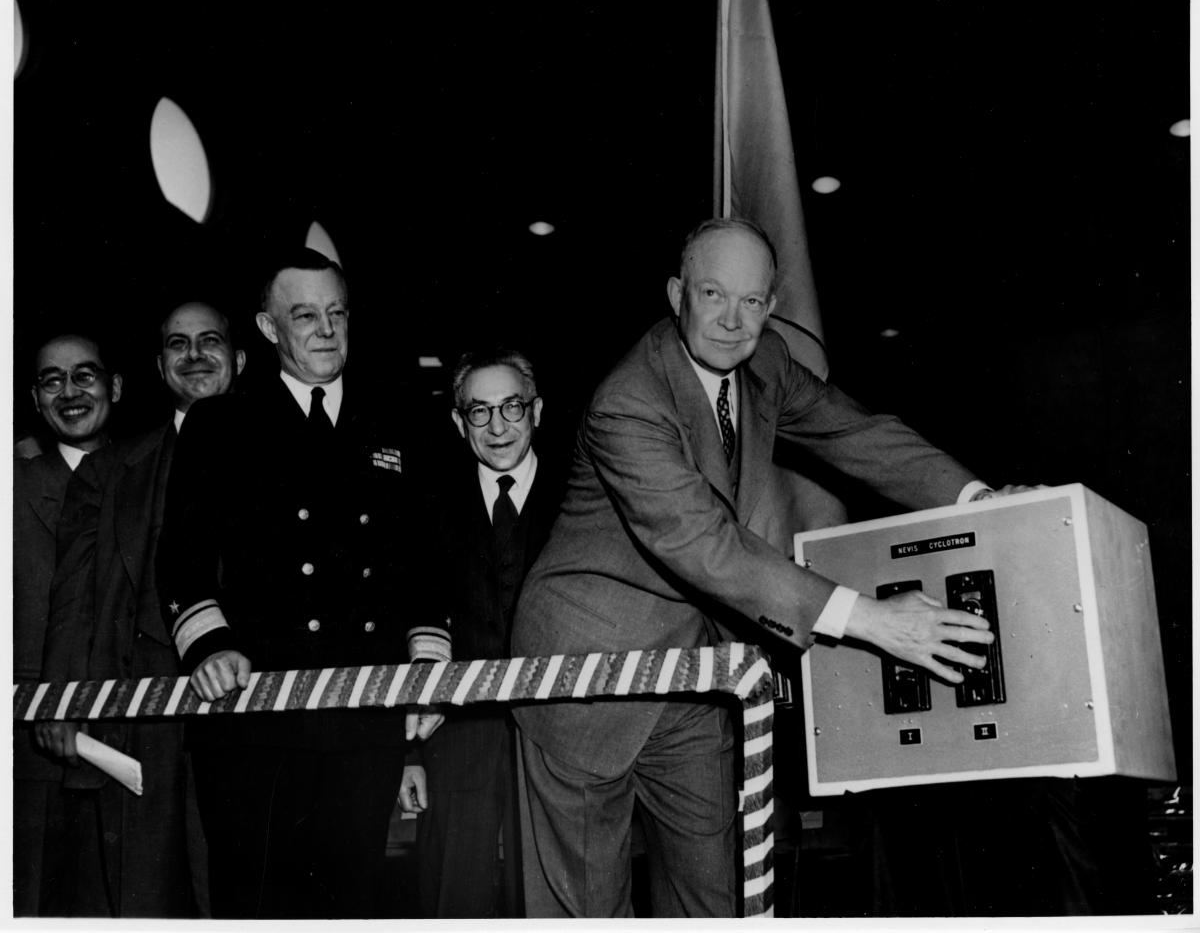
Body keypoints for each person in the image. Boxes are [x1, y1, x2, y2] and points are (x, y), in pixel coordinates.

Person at [510, 218, 1026, 917]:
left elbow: (854, 431)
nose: (731, 321)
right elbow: (704, 543)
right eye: (713, 294)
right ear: (676, 294)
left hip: (693, 678)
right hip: (582, 678)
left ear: (771, 305)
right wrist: (873, 620)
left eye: (752, 301)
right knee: (588, 915)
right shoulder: (627, 401)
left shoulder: (768, 362)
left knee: (721, 901)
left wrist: (980, 499)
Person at [155, 248, 450, 918]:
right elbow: (182, 558)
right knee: (258, 903)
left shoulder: (395, 419)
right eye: (306, 315)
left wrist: (427, 663)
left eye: (337, 313)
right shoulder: (222, 423)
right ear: (267, 327)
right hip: (256, 724)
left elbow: (426, 558)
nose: (326, 329)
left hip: (364, 718)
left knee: (352, 899)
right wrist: (208, 646)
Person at [34, 301, 245, 916]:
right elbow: (73, 599)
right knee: (144, 898)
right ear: (159, 366)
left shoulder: (284, 453)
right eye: (178, 345)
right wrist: (61, 702)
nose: (195, 355)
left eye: (210, 340)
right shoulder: (110, 471)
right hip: (140, 722)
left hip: (249, 713)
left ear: (239, 357)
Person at [404, 348, 564, 918]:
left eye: (512, 407)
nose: (497, 427)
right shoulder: (425, 506)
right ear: (457, 421)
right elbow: (411, 622)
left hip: (559, 732)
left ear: (537, 410)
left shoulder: (580, 496)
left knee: (554, 895)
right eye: (479, 412)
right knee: (454, 893)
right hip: (460, 733)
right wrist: (413, 752)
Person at [14, 333, 122, 915]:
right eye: (52, 380)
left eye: (86, 375)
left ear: (115, 387)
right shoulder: (13, 483)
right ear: (35, 397)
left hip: (127, 740)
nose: (71, 391)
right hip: (27, 751)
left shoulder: (146, 476)